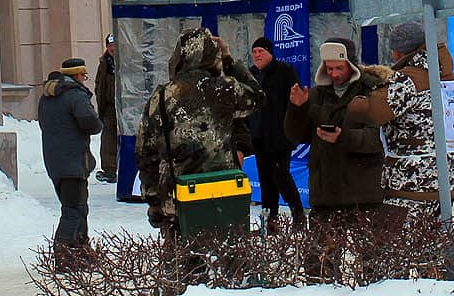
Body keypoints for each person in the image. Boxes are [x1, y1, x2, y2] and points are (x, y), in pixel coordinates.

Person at [136, 28, 262, 236]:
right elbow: (257, 96)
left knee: (183, 262)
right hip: (223, 191)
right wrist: (229, 59)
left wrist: (153, 199)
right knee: (230, 259)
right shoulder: (224, 89)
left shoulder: (160, 97)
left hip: (178, 197)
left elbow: (146, 153)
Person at [284, 40, 393, 224]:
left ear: (351, 65)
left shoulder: (373, 91)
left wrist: (342, 137)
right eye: (329, 68)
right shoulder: (316, 94)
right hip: (325, 194)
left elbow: (377, 139)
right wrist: (297, 109)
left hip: (364, 194)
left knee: (370, 253)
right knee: (320, 252)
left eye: (339, 68)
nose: (334, 74)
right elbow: (296, 136)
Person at [377, 21, 451, 206]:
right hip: (444, 174)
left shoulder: (408, 78)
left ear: (399, 51)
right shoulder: (444, 73)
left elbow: (372, 112)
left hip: (411, 177)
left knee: (397, 234)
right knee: (435, 233)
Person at [39, 57, 103, 250]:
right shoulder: (75, 96)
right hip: (73, 162)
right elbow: (91, 123)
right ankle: (65, 254)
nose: (85, 79)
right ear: (77, 75)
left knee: (77, 208)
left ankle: (81, 251)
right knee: (73, 210)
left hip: (55, 163)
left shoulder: (47, 97)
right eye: (84, 75)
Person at [249, 36, 304, 230]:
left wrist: (292, 127)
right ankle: (270, 220)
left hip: (280, 135)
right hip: (258, 135)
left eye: (260, 51)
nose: (257, 55)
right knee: (265, 179)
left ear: (270, 53)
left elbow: (295, 101)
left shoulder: (285, 71)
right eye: (254, 52)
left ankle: (298, 213)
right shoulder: (251, 74)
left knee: (281, 175)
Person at [95, 35, 119, 183]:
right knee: (108, 139)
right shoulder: (104, 62)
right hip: (109, 107)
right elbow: (100, 84)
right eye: (110, 45)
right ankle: (109, 170)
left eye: (114, 45)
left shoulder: (126, 61)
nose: (112, 48)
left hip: (125, 107)